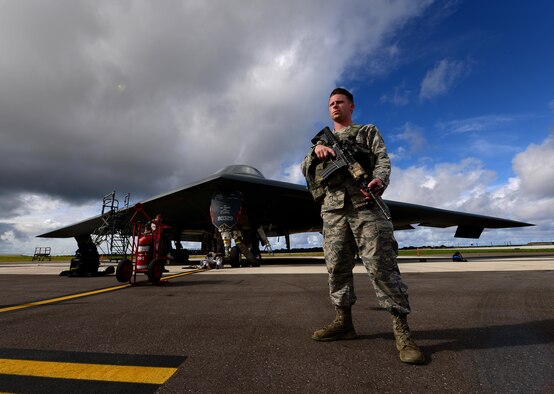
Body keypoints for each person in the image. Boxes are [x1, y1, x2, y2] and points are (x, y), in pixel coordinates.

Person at [301, 88, 425, 364]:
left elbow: (382, 159)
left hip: (365, 206)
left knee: (381, 266)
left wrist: (379, 180)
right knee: (337, 269)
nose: (335, 106)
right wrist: (316, 153)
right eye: (331, 103)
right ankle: (343, 323)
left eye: (340, 102)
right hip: (333, 212)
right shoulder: (320, 143)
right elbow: (305, 170)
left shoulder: (366, 131)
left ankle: (402, 332)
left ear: (351, 106)